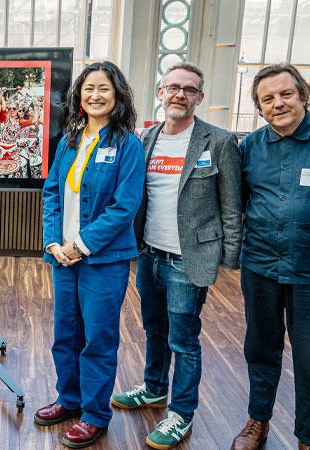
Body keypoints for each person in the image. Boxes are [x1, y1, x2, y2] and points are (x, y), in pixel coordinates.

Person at [109, 62, 242, 449]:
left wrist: (229, 259)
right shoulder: (145, 139)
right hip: (149, 254)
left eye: (189, 89)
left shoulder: (218, 141)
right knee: (154, 329)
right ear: (160, 92)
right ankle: (153, 389)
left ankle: (181, 414)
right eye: (173, 87)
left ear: (200, 97)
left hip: (188, 259)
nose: (180, 94)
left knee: (184, 340)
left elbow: (232, 206)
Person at [230, 64, 310, 450]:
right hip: (261, 267)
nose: (278, 103)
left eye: (286, 94)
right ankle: (257, 421)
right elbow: (240, 204)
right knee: (260, 350)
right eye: (268, 99)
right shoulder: (249, 147)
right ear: (259, 108)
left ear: (303, 95)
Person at [36, 61, 145, 448]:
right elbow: (51, 193)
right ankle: (69, 400)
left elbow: (124, 206)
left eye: (103, 89)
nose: (95, 95)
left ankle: (95, 414)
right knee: (65, 334)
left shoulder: (128, 144)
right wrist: (52, 243)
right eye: (88, 89)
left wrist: (80, 245)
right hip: (62, 259)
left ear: (117, 96)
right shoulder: (68, 141)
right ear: (78, 97)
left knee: (97, 338)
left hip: (102, 260)